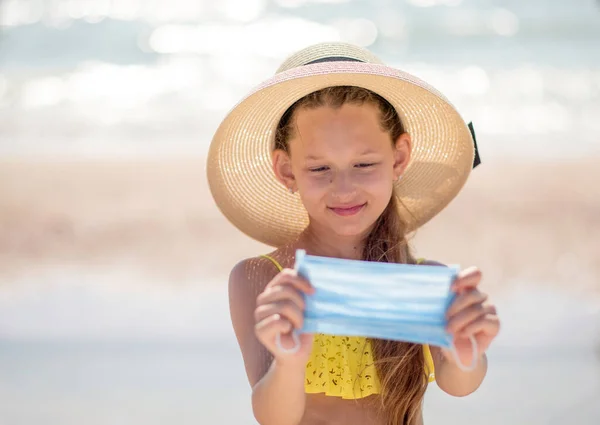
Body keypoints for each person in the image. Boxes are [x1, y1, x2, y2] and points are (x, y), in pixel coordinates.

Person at [206, 42, 500, 425]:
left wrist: (467, 351)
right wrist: (291, 362)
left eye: (364, 163)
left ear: (398, 158)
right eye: (319, 169)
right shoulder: (262, 279)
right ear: (286, 171)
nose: (344, 189)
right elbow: (273, 415)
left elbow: (460, 384)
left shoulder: (423, 280)